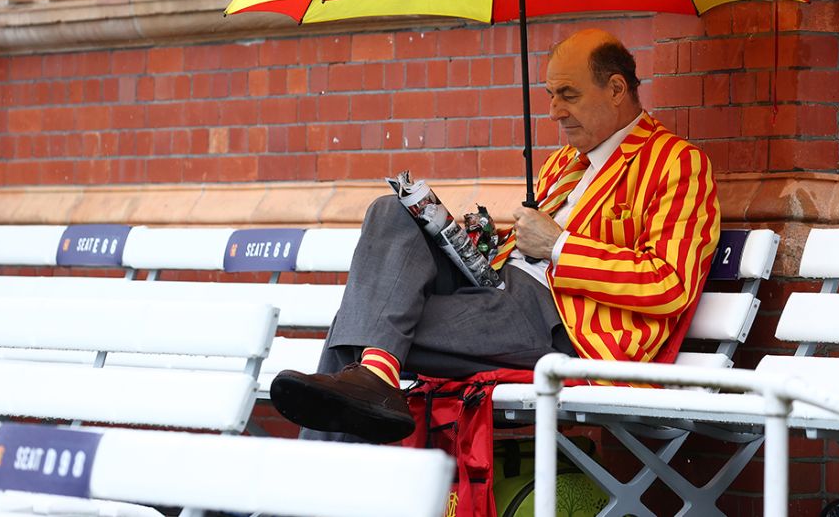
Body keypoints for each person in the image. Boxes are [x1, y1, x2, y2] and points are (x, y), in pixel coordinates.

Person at [270, 28, 721, 443]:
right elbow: (525, 248)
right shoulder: (563, 163)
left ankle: (318, 477)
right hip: (495, 292)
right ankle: (371, 391)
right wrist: (472, 241)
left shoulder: (677, 163)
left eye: (568, 95)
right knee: (391, 211)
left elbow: (671, 285)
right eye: (549, 95)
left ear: (617, 89)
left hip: (562, 323)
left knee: (367, 329)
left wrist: (559, 246)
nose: (554, 111)